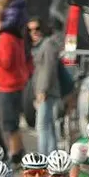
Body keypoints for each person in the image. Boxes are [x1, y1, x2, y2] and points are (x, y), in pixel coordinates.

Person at [0, 0, 33, 161]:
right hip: (15, 83)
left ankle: (15, 154)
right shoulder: (16, 35)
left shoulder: (6, 37)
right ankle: (19, 152)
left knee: (8, 123)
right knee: (12, 122)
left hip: (8, 85)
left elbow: (6, 62)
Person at [29, 18, 65, 155]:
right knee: (48, 125)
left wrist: (42, 90)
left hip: (47, 92)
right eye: (30, 30)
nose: (34, 32)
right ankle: (52, 155)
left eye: (37, 28)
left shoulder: (48, 44)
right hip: (44, 91)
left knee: (42, 126)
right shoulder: (41, 45)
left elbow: (49, 69)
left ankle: (43, 157)